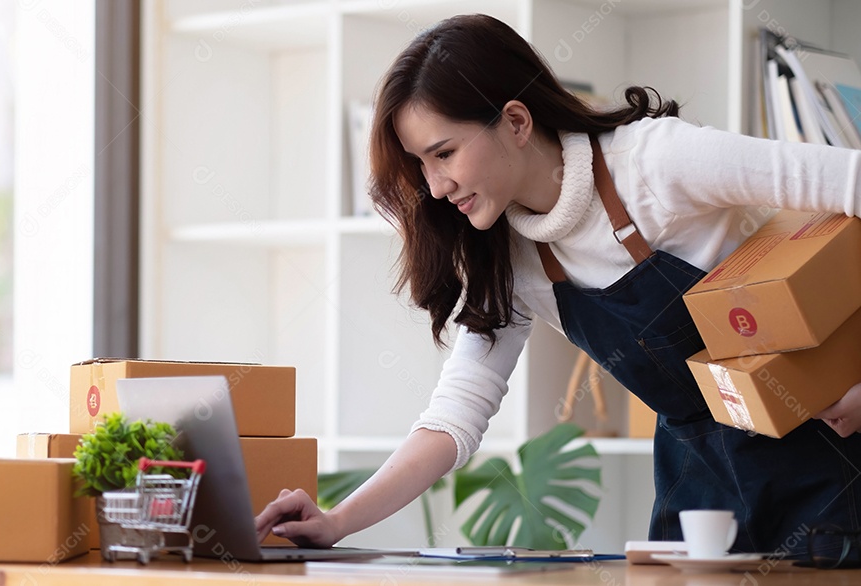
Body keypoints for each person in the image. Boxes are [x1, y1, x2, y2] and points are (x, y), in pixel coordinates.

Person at [254, 13, 861, 555]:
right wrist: (336, 522)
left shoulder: (654, 161)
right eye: (420, 165)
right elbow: (454, 417)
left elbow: (849, 183)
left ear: (515, 121)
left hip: (830, 469)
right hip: (700, 495)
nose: (434, 186)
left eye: (444, 153)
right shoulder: (511, 259)